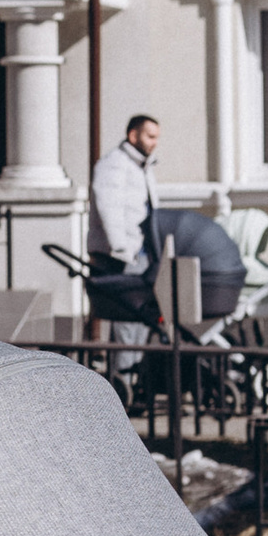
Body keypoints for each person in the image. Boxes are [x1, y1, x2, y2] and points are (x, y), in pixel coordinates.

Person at [90, 109, 161, 355]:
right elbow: (109, 208)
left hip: (141, 253)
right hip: (123, 255)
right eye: (150, 136)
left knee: (139, 315)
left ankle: (130, 372)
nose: (154, 143)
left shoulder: (143, 167)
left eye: (156, 137)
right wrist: (120, 249)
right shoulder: (114, 164)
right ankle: (124, 377)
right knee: (127, 317)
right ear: (133, 135)